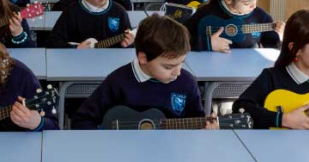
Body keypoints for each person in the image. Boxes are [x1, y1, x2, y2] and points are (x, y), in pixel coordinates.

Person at [71, 15, 214, 130]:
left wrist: (206, 130)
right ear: (143, 58)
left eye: (181, 63)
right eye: (168, 67)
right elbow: (82, 119)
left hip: (170, 154)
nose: (177, 73)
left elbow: (197, 122)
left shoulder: (186, 82)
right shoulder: (118, 81)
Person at [184, 0, 283, 52]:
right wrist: (207, 44)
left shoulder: (261, 17)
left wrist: (282, 37)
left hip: (247, 72)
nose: (254, 6)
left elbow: (275, 50)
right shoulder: (206, 12)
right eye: (247, 3)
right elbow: (178, 40)